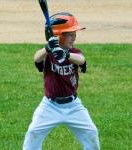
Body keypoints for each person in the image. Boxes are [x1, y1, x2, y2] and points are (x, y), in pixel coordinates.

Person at [23, 12, 100, 150]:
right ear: (59, 35)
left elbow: (82, 60)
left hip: (73, 105)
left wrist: (66, 54)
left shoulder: (74, 52)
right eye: (71, 34)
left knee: (91, 132)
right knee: (33, 132)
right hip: (50, 106)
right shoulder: (48, 54)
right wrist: (48, 48)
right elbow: (37, 58)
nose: (74, 38)